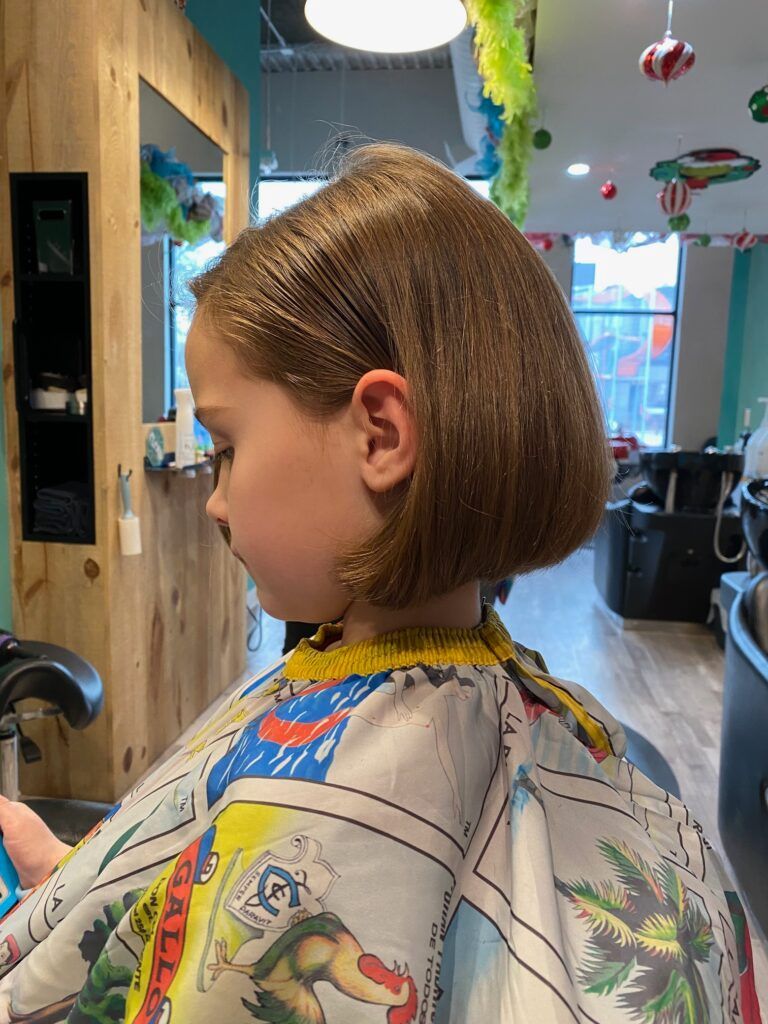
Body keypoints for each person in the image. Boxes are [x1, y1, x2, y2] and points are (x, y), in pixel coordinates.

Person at [0, 143, 760, 1023]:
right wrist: (80, 890)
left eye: (228, 448)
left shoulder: (349, 790)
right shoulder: (534, 720)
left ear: (381, 436)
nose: (214, 501)